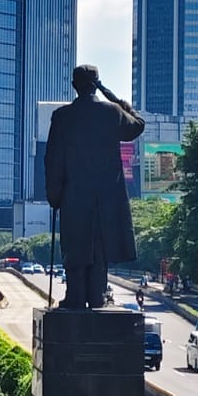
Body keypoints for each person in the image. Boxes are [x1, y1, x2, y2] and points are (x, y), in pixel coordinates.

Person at [44, 65, 146, 309]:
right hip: (106, 196)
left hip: (73, 194)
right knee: (99, 248)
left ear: (74, 86)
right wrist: (115, 99)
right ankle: (97, 296)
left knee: (75, 245)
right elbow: (138, 125)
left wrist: (54, 194)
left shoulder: (62, 116)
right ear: (96, 85)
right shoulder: (111, 113)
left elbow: (52, 158)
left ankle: (76, 296)